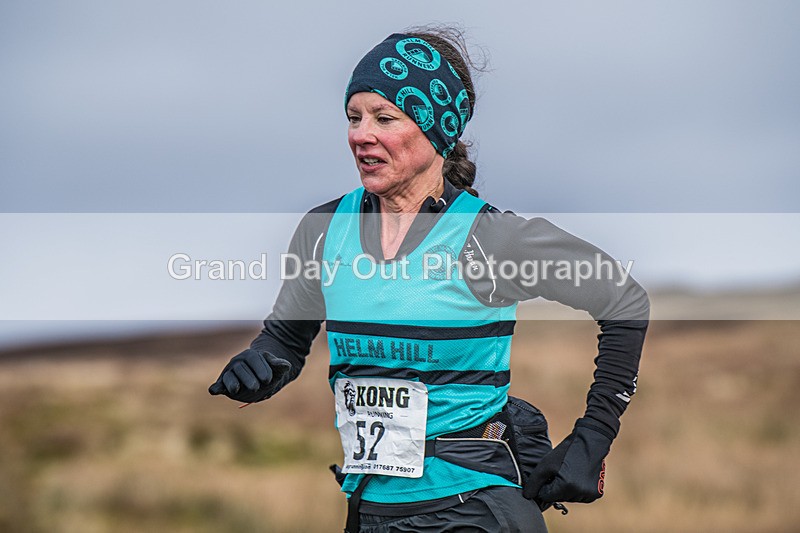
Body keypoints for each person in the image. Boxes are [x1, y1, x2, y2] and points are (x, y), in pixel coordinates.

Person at [209, 26, 649, 533]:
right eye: (353, 118)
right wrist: (262, 365)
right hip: (371, 510)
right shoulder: (324, 230)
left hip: (474, 510)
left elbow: (625, 301)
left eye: (384, 118)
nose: (360, 134)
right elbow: (286, 338)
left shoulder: (489, 238)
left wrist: (592, 438)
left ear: (434, 130)